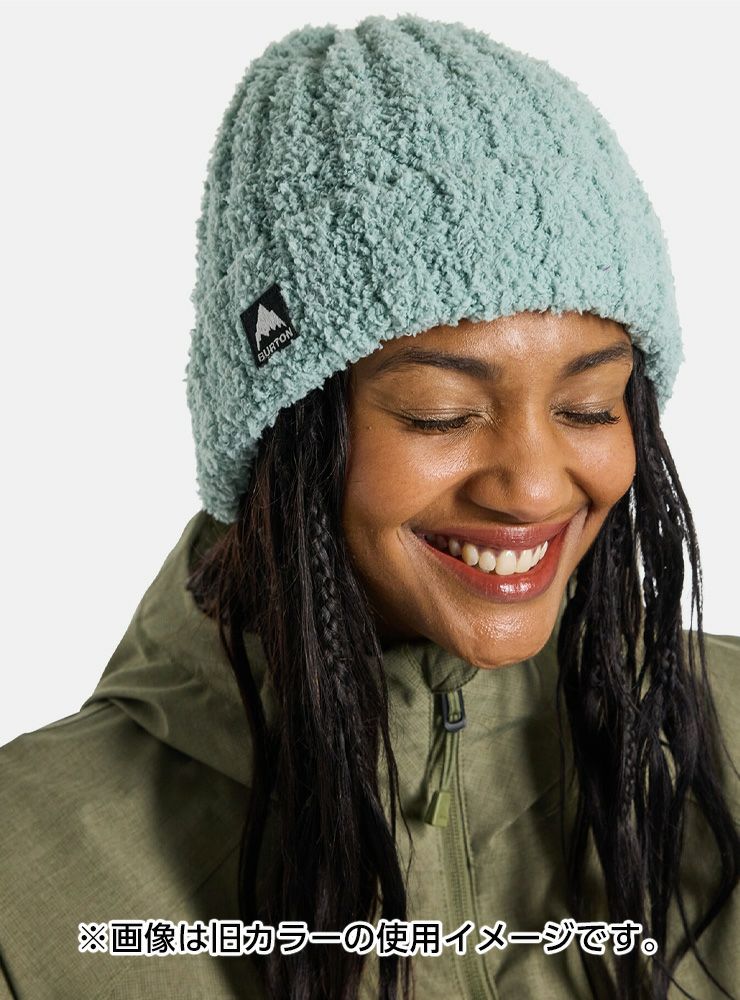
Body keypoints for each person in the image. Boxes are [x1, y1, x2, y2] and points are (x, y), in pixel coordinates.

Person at [0, 13, 738, 1000]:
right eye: (441, 414)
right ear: (284, 431)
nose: (531, 485)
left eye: (588, 406)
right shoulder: (27, 886)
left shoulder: (724, 737)